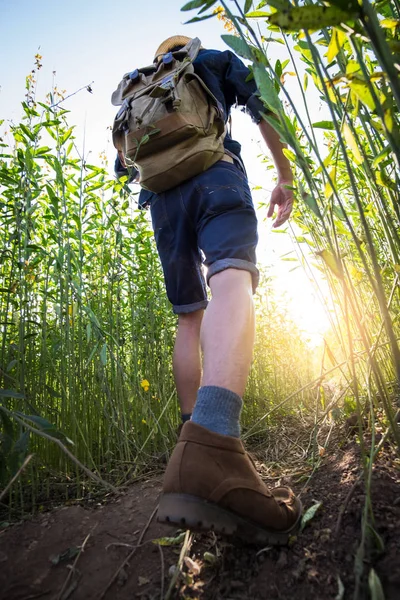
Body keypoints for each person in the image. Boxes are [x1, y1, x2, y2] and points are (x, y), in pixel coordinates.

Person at [116, 35, 302, 544]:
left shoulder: (140, 88)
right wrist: (284, 175)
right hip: (215, 175)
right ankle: (214, 438)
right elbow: (261, 103)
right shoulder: (211, 60)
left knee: (188, 315)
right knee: (232, 277)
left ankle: (189, 443)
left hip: (162, 202)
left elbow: (125, 164)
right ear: (185, 49)